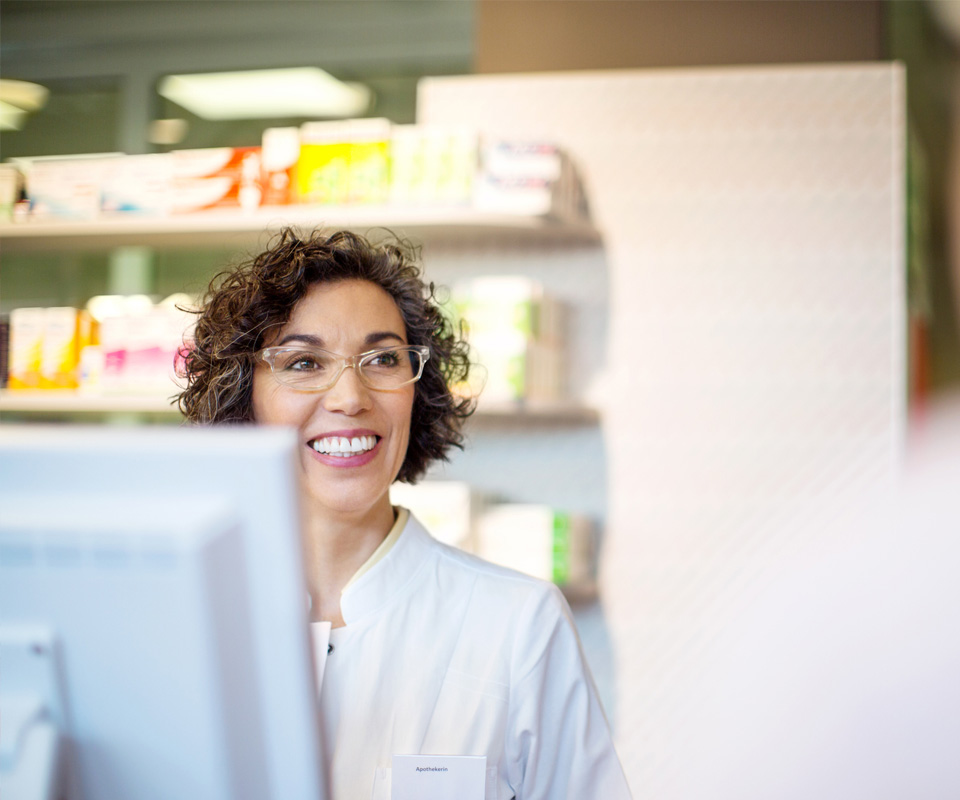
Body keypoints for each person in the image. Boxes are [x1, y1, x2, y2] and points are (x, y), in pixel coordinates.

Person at [178, 228, 632, 800]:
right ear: (243, 396)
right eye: (302, 362)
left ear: (419, 392)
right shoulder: (182, 624)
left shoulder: (519, 626)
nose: (350, 397)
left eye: (383, 358)